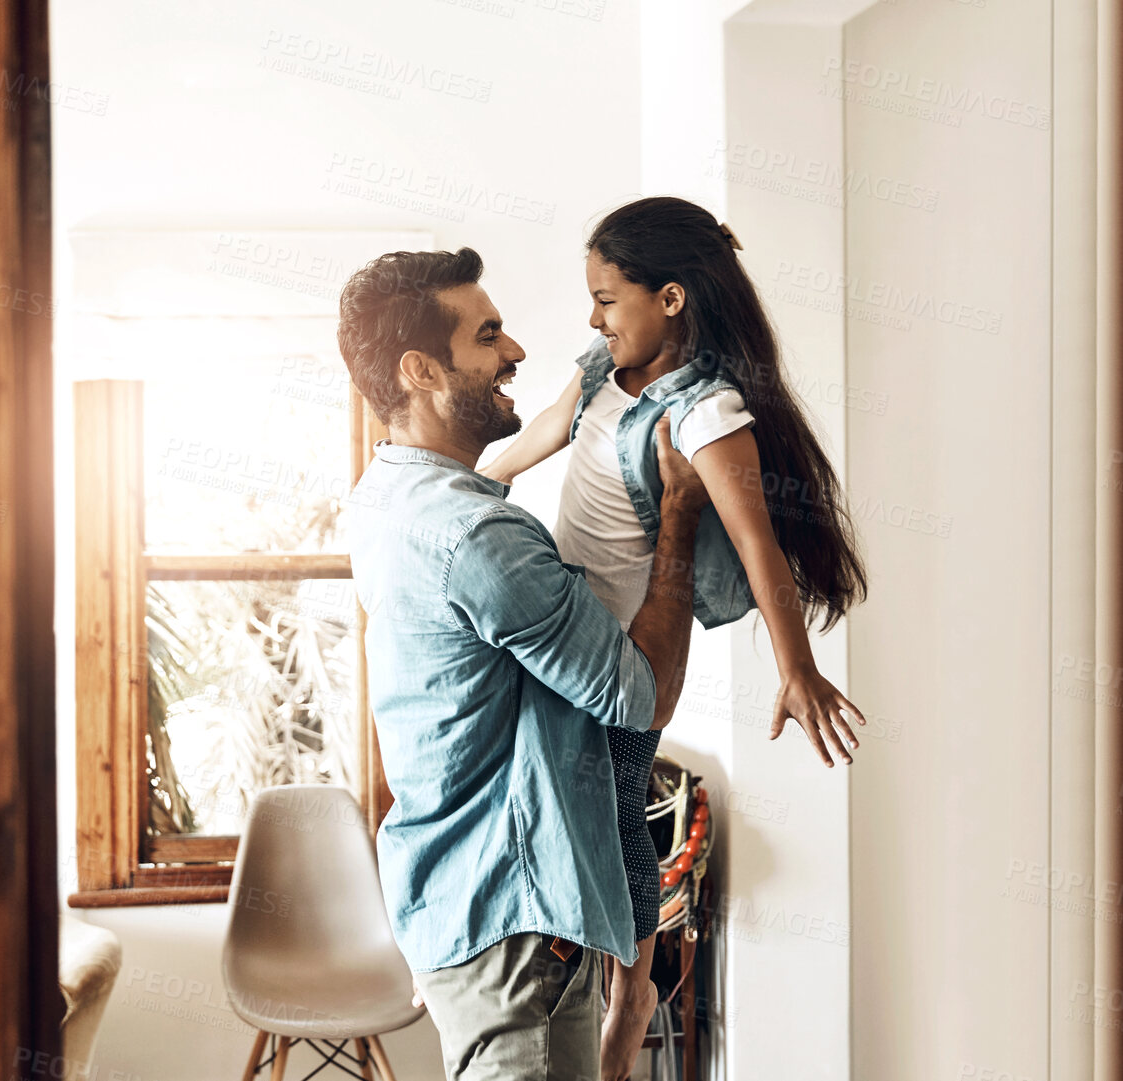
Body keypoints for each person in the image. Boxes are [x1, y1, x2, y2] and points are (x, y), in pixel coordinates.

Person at [480, 196, 870, 1079]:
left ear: (670, 298)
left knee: (618, 812)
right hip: (564, 629)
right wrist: (469, 482)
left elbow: (758, 541)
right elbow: (546, 429)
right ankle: (558, 956)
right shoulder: (602, 367)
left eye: (607, 298)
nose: (591, 316)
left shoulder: (705, 413)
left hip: (624, 656)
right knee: (558, 798)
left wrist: (797, 666)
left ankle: (632, 993)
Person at [337, 246, 709, 1081]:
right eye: (489, 334)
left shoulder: (389, 497)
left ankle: (629, 1004)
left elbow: (519, 450)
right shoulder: (480, 539)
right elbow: (643, 698)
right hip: (518, 933)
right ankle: (631, 1006)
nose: (513, 351)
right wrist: (680, 516)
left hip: (458, 911)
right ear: (421, 369)